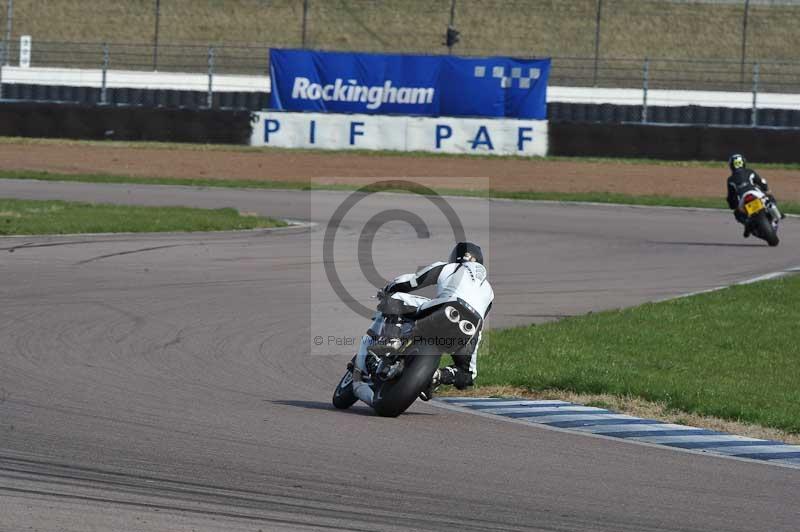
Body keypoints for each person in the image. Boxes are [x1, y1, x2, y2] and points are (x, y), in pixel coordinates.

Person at [351, 242, 494, 405]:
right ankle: (435, 377)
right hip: (471, 327)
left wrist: (388, 288)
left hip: (448, 306)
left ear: (455, 257)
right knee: (468, 374)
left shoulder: (449, 267)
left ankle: (392, 340)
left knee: (396, 298)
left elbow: (412, 281)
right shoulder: (489, 291)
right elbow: (480, 320)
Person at [726, 153, 784, 237]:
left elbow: (731, 197)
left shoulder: (730, 180)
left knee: (737, 213)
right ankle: (776, 212)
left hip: (743, 199)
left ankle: (747, 224)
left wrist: (732, 205)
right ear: (743, 163)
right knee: (769, 196)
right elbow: (761, 182)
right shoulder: (750, 172)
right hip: (756, 193)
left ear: (731, 166)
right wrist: (766, 189)